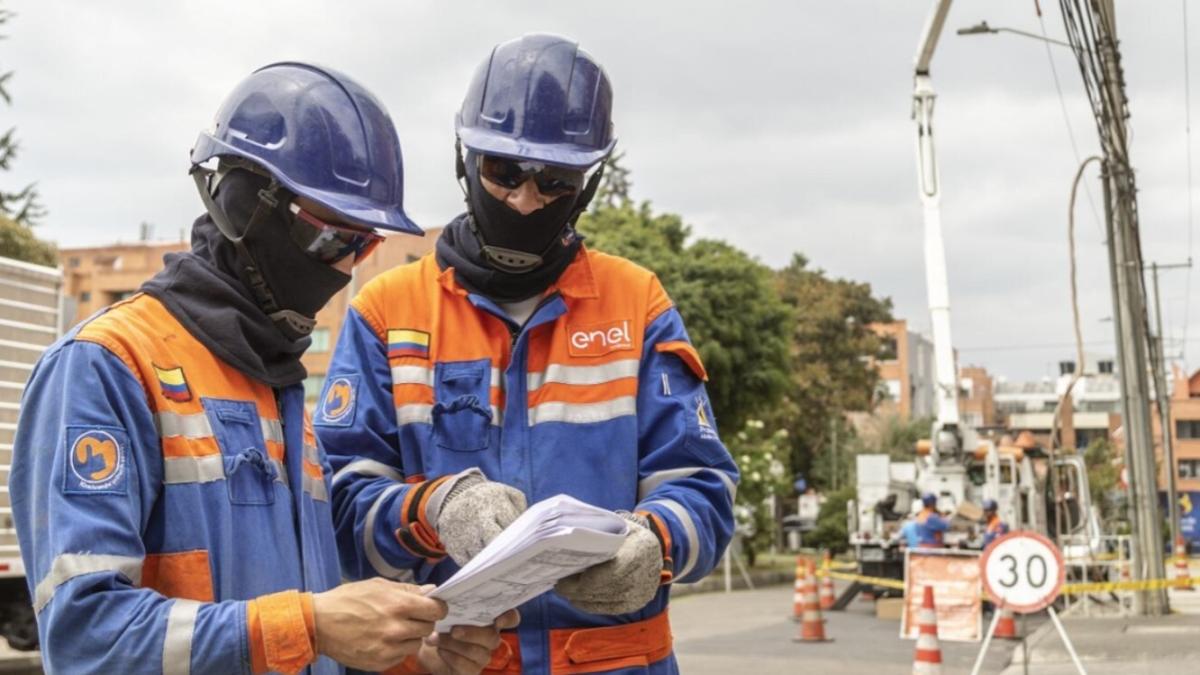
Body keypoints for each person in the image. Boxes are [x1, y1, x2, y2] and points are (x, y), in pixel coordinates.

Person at [10, 62, 515, 674]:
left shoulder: (276, 385)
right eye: (333, 240)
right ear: (248, 204)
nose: (344, 267)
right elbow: (85, 637)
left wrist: (412, 657)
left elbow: (312, 626)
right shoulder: (108, 368)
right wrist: (310, 626)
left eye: (363, 245)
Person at [315, 34, 738, 674]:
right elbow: (340, 508)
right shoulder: (387, 312)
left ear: (587, 184)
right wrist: (432, 509)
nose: (524, 199)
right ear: (465, 159)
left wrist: (657, 544)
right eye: (504, 173)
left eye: (556, 181)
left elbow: (702, 486)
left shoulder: (637, 305)